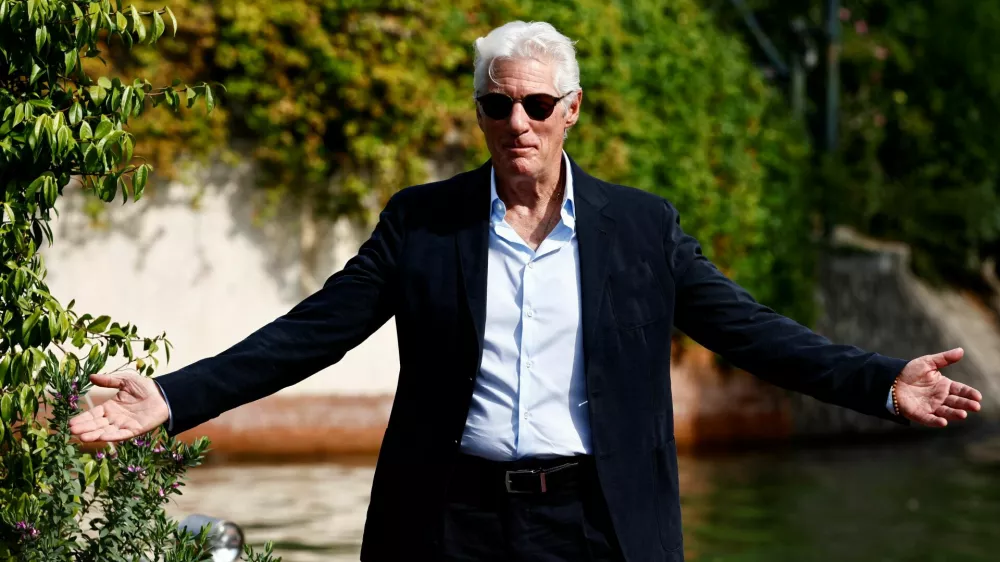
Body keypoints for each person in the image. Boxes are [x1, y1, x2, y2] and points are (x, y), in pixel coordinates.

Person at [70, 21, 984, 562]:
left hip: (599, 521)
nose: (519, 123)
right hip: (451, 518)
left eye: (537, 106)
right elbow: (313, 332)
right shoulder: (424, 224)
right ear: (480, 112)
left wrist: (879, 382)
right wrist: (177, 396)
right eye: (499, 104)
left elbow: (750, 332)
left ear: (570, 110)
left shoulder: (640, 228)